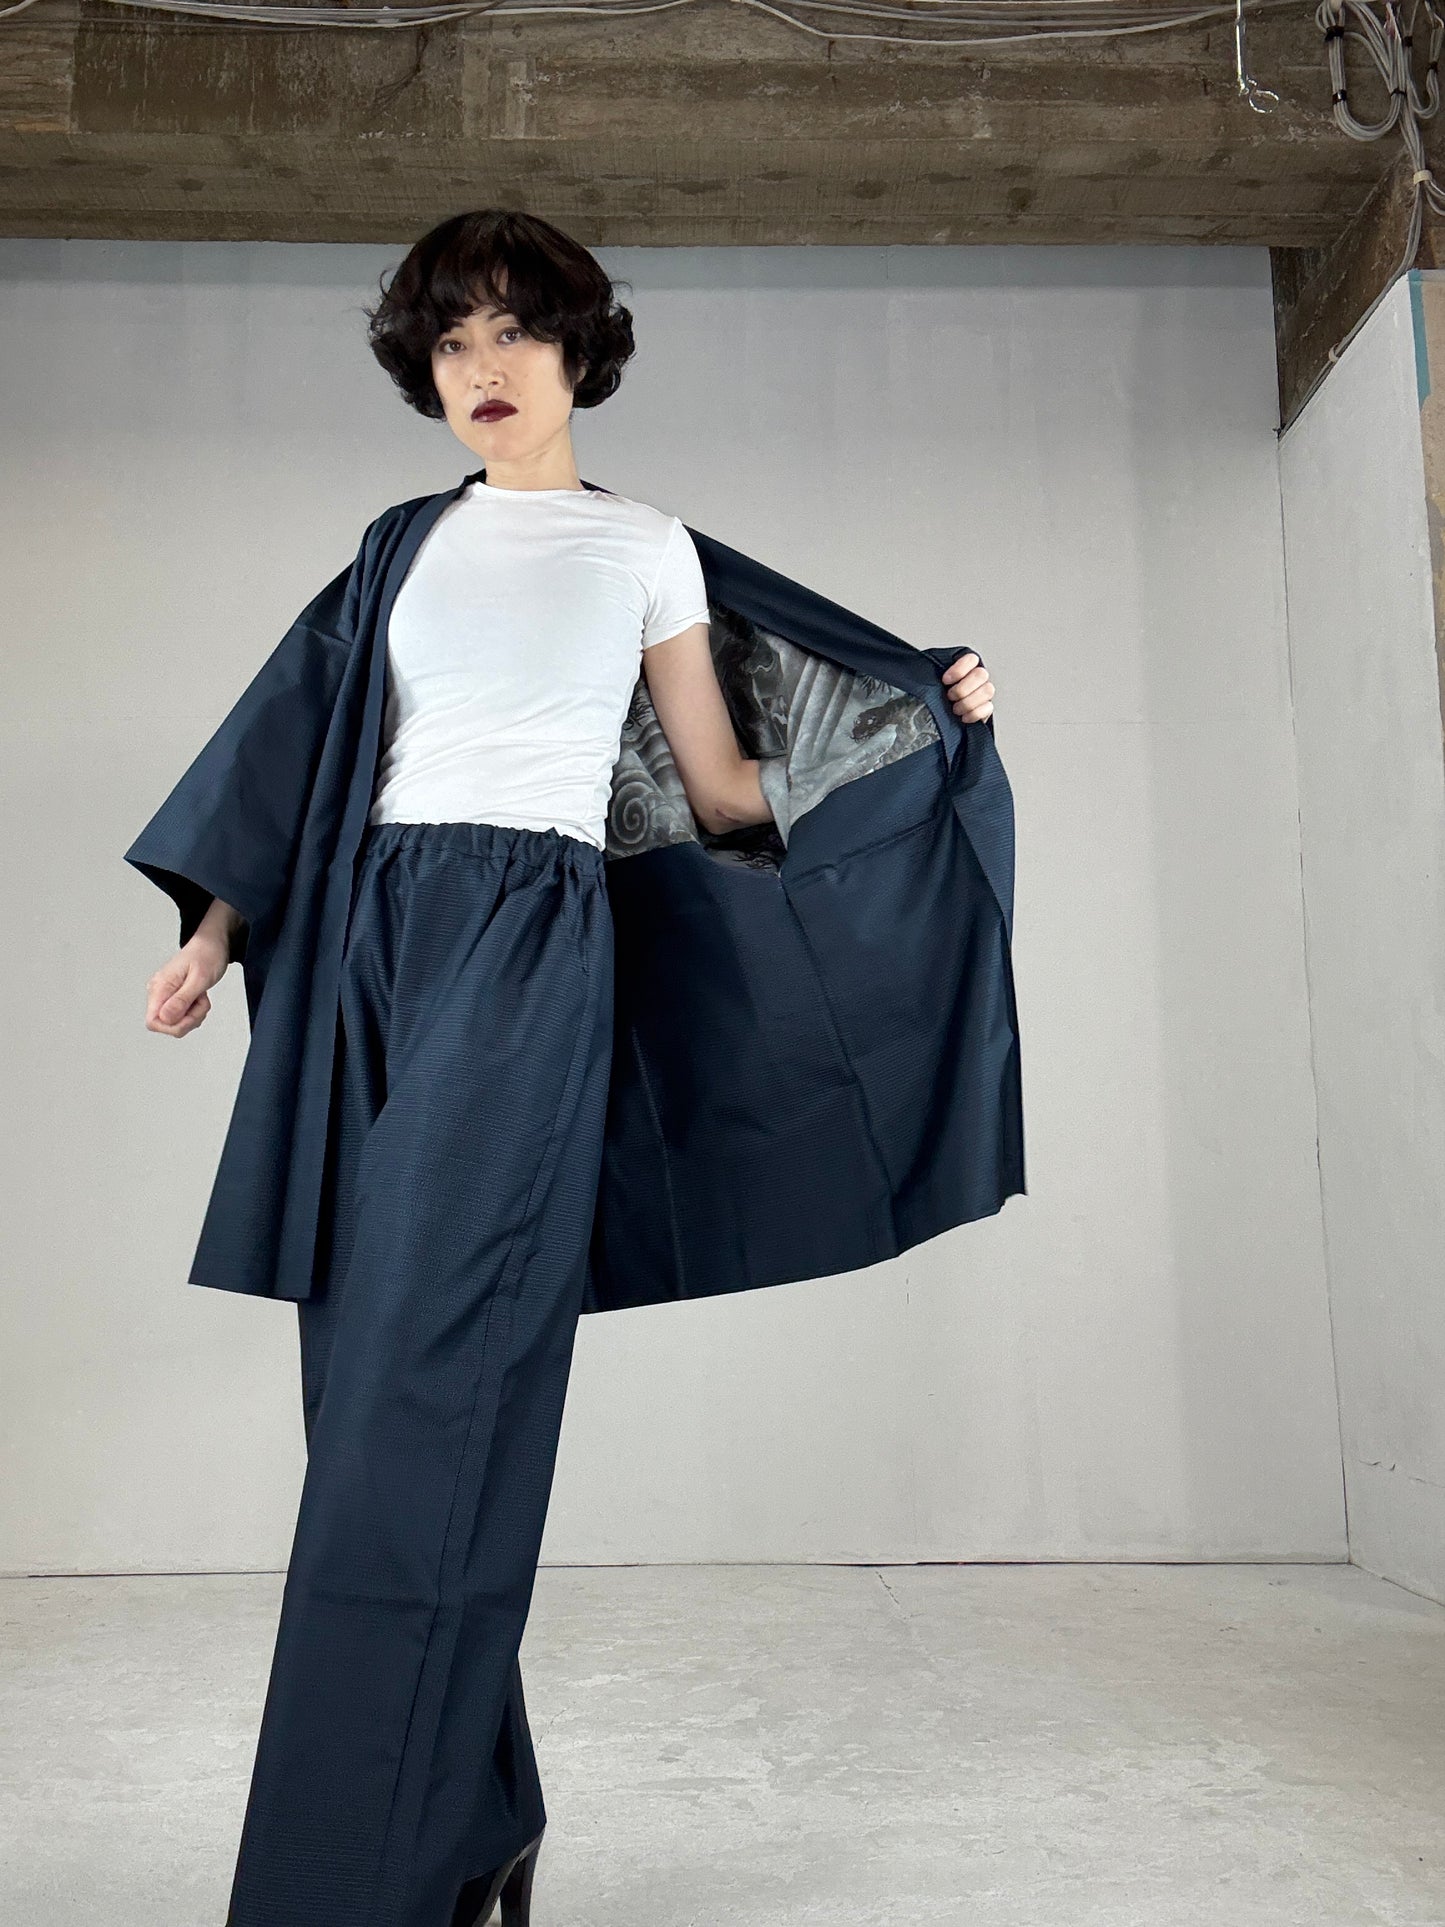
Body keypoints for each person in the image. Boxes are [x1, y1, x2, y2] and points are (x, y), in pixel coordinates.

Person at [137, 208, 999, 1927]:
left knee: (432, 1383)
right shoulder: (398, 544)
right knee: (362, 1389)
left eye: (514, 331)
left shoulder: (641, 549)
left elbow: (725, 790)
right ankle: (474, 1817)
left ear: (576, 353)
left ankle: (360, 1879)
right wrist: (216, 933)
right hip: (367, 945)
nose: (483, 366)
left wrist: (918, 715)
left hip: (527, 937)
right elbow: (292, 748)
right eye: (451, 339)